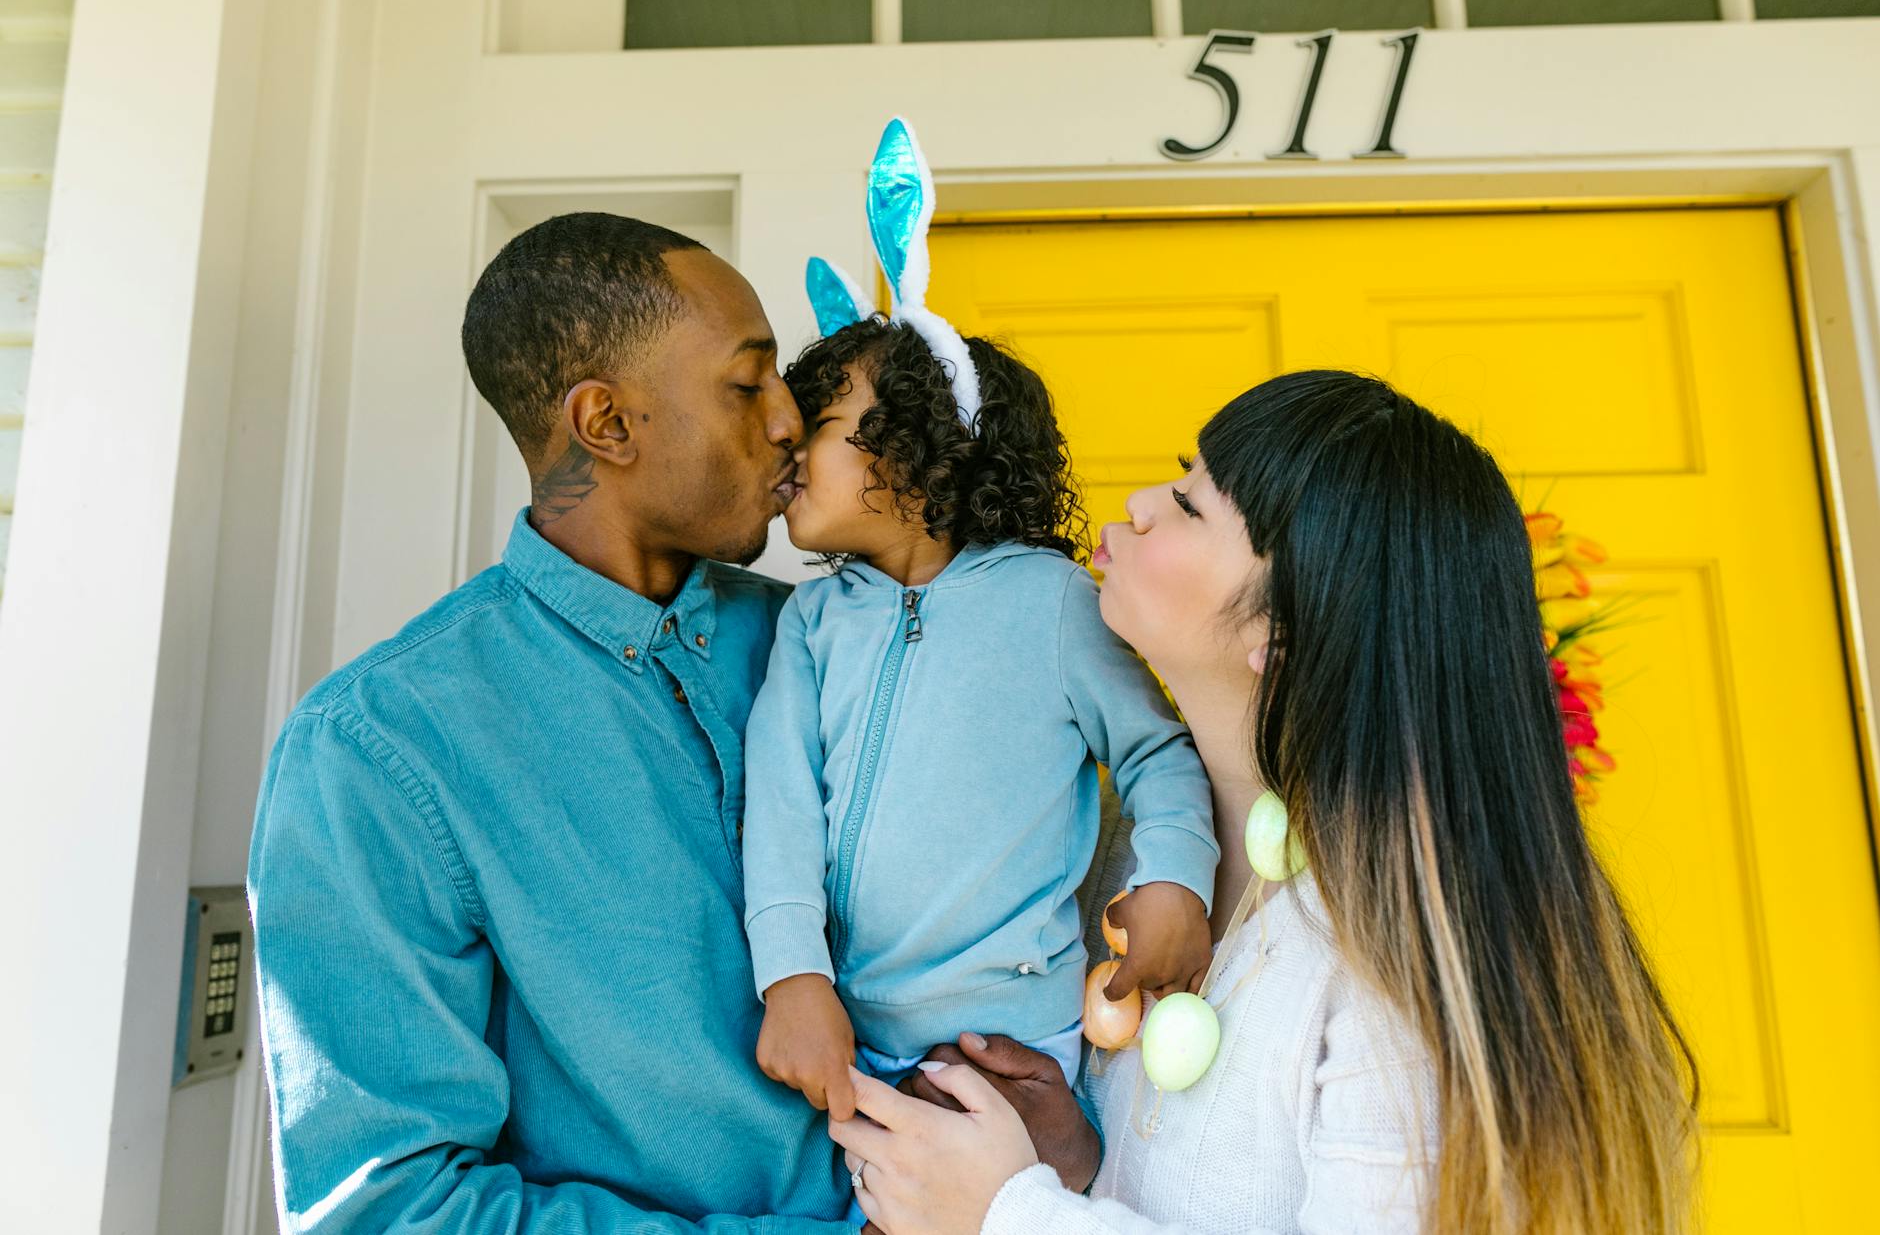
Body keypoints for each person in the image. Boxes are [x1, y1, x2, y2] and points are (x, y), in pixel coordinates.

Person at [246, 212, 1095, 1232]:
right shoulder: (377, 751)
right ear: (606, 423)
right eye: (749, 383)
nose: (791, 422)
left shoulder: (843, 644)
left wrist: (1067, 1145)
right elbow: (393, 1208)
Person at [829, 370, 1700, 1235]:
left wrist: (1009, 1211)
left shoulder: (1392, 970)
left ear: (1282, 631)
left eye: (1190, 505)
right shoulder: (1113, 839)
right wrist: (1073, 1158)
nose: (1139, 504)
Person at [742, 314, 1218, 1142]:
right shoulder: (812, 621)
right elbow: (780, 811)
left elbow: (1156, 750)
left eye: (822, 425)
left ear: (923, 446)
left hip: (1016, 1044)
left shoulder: (1056, 603)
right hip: (847, 1039)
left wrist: (1178, 879)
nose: (791, 449)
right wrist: (791, 978)